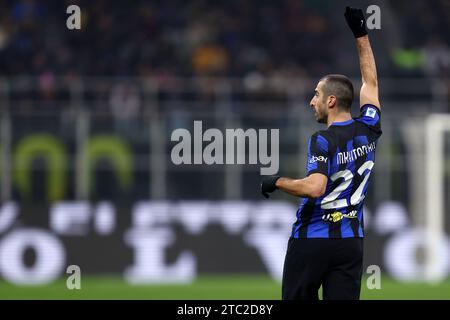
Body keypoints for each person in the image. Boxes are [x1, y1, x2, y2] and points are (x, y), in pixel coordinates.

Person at [261, 7, 381, 300]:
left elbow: (315, 188)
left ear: (330, 100)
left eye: (315, 94)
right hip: (350, 242)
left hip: (313, 239)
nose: (310, 101)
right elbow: (371, 83)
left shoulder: (323, 140)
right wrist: (361, 34)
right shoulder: (370, 127)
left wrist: (277, 181)